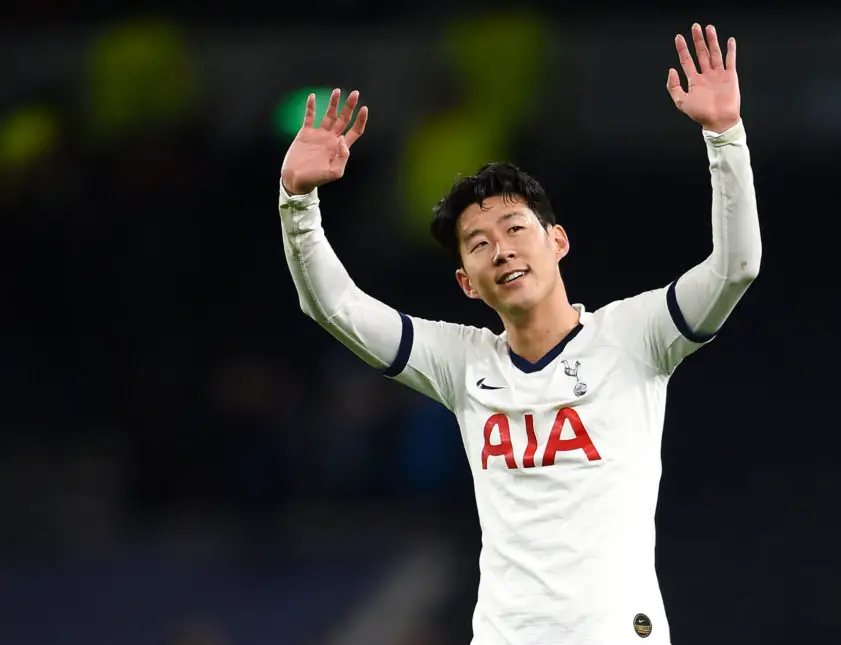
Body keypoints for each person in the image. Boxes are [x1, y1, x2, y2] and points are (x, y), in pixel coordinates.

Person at [278, 22, 761, 645]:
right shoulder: (462, 363)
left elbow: (735, 268)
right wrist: (297, 202)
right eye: (479, 244)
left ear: (557, 241)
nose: (501, 249)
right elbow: (335, 307)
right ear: (467, 283)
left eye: (515, 229)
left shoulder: (634, 337)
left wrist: (725, 136)